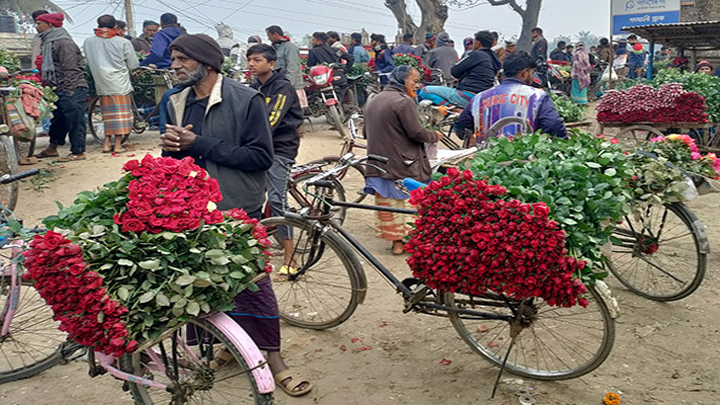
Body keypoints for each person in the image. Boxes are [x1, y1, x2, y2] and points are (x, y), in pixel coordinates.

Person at [159, 33, 312, 397]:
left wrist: (200, 144)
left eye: (182, 59)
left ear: (207, 63)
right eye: (174, 59)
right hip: (192, 209)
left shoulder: (246, 100)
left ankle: (275, 360)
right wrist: (170, 153)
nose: (175, 66)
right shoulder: (175, 101)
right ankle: (226, 346)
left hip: (235, 207)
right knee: (206, 285)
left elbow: (261, 157)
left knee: (252, 285)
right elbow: (177, 158)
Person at [363, 65, 443, 255]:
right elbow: (416, 132)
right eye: (414, 81)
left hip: (378, 162)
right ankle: (410, 241)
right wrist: (434, 135)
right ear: (402, 80)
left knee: (388, 204)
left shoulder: (374, 99)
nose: (417, 86)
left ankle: (397, 243)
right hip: (403, 163)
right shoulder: (403, 101)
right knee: (407, 202)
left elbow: (366, 132)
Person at [246, 43, 302, 278]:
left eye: (257, 60)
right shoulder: (252, 88)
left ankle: (291, 257)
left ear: (271, 64)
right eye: (249, 59)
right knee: (251, 198)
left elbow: (271, 121)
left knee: (278, 201)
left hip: (279, 148)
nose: (251, 64)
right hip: (258, 148)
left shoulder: (282, 88)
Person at [456, 51, 567, 143]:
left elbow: (464, 120)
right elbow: (553, 124)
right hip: (524, 160)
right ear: (524, 73)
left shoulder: (480, 97)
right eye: (532, 73)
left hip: (486, 161)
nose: (532, 77)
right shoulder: (538, 96)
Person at [33, 13, 89, 162]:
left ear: (50, 25)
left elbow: (70, 69)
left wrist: (69, 91)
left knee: (75, 120)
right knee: (59, 119)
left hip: (72, 86)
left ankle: (78, 152)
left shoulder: (64, 43)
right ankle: (52, 148)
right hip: (59, 87)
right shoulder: (49, 42)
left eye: (39, 23)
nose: (36, 26)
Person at [83, 14, 139, 154]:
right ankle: (118, 144)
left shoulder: (88, 42)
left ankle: (107, 143)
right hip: (119, 83)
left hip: (101, 83)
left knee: (108, 115)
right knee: (120, 115)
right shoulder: (123, 42)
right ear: (115, 27)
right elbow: (133, 64)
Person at [266, 25, 305, 107]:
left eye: (269, 35)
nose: (268, 38)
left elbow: (293, 66)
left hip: (292, 85)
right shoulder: (274, 48)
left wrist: (288, 83)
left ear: (275, 34)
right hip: (279, 85)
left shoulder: (290, 47)